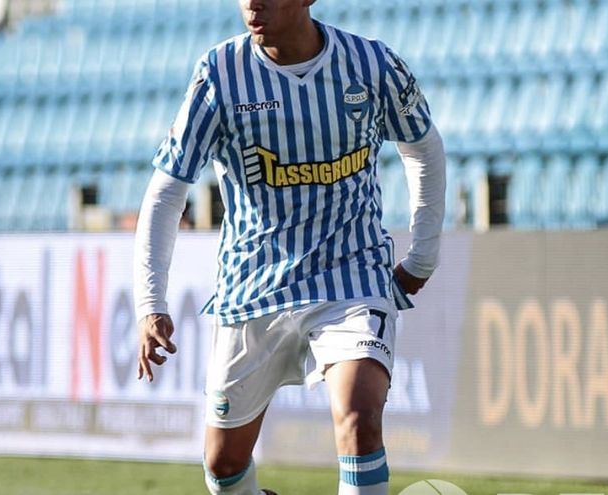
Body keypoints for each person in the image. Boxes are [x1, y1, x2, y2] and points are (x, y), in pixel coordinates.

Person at [133, 0, 446, 494]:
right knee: (223, 466)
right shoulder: (220, 74)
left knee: (360, 418)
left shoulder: (371, 64)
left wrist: (423, 255)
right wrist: (151, 303)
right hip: (253, 286)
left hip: (350, 276)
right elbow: (167, 190)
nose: (252, 3)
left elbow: (423, 147)